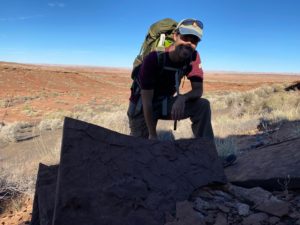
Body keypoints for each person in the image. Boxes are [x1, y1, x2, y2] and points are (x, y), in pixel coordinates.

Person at [127, 18, 236, 166]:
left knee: (202, 106)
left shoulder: (193, 57)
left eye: (194, 41)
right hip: (142, 107)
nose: (189, 44)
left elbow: (198, 90)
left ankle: (210, 161)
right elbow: (146, 101)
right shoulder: (154, 58)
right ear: (175, 36)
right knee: (139, 155)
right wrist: (153, 135)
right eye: (185, 37)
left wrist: (182, 98)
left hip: (165, 102)